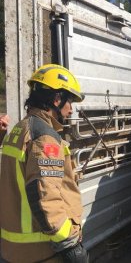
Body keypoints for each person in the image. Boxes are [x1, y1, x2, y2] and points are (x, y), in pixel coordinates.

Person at [0, 64, 88, 262]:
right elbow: (44, 196)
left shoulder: (19, 130)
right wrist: (70, 243)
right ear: (57, 99)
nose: (71, 109)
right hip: (40, 251)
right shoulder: (44, 138)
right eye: (70, 101)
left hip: (12, 249)